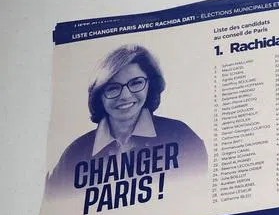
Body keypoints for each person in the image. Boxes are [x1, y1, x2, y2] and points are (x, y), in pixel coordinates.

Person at [46, 45, 206, 195]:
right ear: (99, 95)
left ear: (150, 85)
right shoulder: (73, 155)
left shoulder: (182, 137)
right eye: (113, 88)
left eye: (136, 83)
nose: (125, 96)